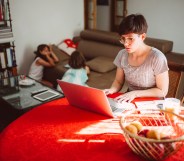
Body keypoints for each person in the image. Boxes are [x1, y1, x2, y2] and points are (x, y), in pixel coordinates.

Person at [104, 13, 169, 103]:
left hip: (152, 103)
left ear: (142, 37)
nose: (126, 43)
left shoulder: (157, 58)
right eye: (123, 38)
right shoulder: (122, 55)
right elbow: (118, 81)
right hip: (130, 100)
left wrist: (135, 93)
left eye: (130, 39)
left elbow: (162, 91)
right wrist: (111, 90)